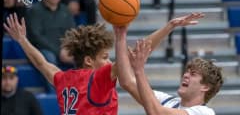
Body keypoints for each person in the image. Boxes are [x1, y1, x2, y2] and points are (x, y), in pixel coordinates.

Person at [3, 12, 204, 114]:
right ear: (89, 61)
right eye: (105, 57)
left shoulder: (62, 78)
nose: (109, 61)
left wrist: (22, 40)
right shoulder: (96, 78)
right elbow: (137, 52)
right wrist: (168, 27)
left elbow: (41, 63)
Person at [117, 24, 224, 114]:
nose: (185, 75)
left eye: (193, 74)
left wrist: (139, 70)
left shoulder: (204, 112)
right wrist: (121, 36)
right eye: (186, 72)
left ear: (205, 86)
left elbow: (156, 112)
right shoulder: (169, 101)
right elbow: (127, 82)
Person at [25, 0, 76, 67]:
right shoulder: (34, 11)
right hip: (42, 49)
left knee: (81, 57)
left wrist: (67, 48)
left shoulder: (66, 10)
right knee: (50, 59)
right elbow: (36, 37)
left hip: (63, 49)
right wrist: (58, 52)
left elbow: (72, 32)